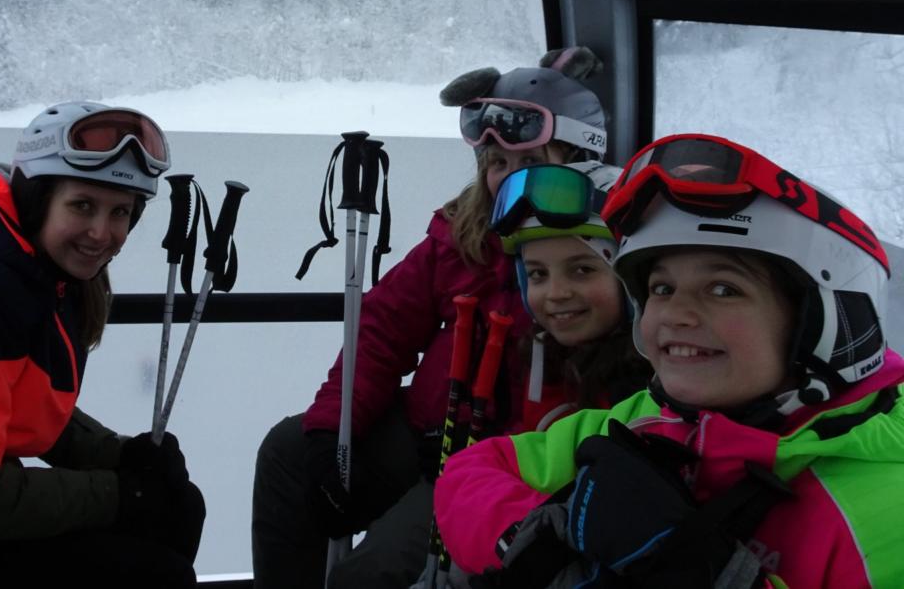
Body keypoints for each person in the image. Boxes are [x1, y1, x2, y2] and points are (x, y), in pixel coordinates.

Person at [434, 133, 904, 588]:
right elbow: (471, 472)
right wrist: (539, 538)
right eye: (662, 288)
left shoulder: (884, 512)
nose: (675, 314)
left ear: (823, 322)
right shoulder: (650, 420)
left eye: (723, 289)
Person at [251, 47, 610, 589]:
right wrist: (331, 433)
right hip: (430, 429)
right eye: (497, 164)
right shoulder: (463, 235)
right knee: (288, 454)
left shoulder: (593, 257)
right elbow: (381, 330)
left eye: (530, 163)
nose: (508, 181)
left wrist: (480, 450)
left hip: (506, 457)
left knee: (371, 574)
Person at [0, 101, 206, 586]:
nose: (102, 233)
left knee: (178, 505)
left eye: (120, 212)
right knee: (155, 572)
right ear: (38, 198)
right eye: (82, 205)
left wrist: (118, 455)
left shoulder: (36, 270)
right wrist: (119, 494)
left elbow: (19, 400)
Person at [491, 160, 649, 433]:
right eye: (538, 274)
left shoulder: (651, 387)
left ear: (632, 278)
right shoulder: (543, 354)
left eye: (582, 270)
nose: (556, 293)